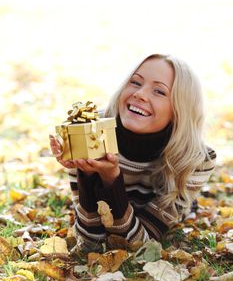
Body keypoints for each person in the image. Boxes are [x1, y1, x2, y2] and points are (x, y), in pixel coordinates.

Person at [50, 53, 216, 253]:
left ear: (179, 109)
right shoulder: (89, 132)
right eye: (135, 82)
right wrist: (87, 174)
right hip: (119, 212)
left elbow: (138, 245)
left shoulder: (196, 159)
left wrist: (111, 178)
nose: (140, 94)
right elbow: (90, 241)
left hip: (151, 212)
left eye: (159, 91)